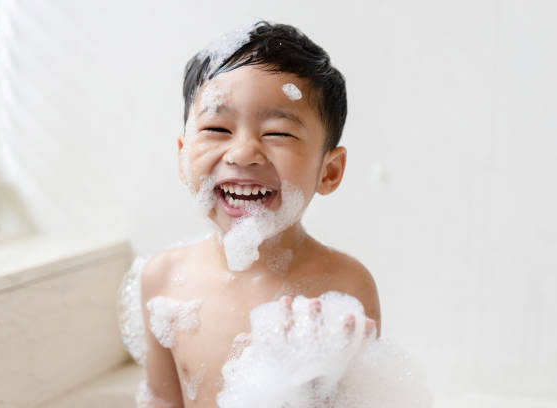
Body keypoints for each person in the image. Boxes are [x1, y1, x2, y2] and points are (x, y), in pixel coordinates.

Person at [139, 21, 381, 407]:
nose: (243, 153)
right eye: (218, 127)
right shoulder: (163, 279)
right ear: (184, 159)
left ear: (329, 171)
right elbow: (160, 400)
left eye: (278, 133)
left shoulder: (344, 286)